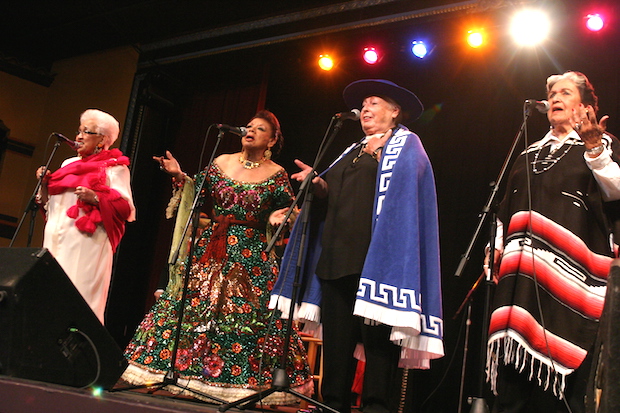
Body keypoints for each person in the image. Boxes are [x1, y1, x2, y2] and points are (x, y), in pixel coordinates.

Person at [272, 79, 444, 413]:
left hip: (377, 266)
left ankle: (376, 409)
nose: (365, 108)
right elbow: (330, 193)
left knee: (379, 350)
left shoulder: (407, 145)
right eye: (364, 104)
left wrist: (380, 160)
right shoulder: (350, 151)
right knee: (337, 347)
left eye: (374, 102)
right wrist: (317, 182)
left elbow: (408, 193)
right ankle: (333, 406)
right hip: (338, 262)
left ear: (394, 112)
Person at [121, 110, 313, 404]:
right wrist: (178, 175)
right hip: (211, 249)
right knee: (192, 307)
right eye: (248, 126)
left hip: (251, 255)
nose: (250, 131)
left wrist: (279, 216)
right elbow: (195, 193)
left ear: (272, 140)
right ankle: (179, 374)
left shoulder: (277, 174)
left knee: (246, 318)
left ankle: (237, 385)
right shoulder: (221, 161)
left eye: (259, 129)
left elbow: (291, 211)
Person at [485, 71, 620, 413]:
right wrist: (496, 244)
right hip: (519, 282)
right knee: (513, 388)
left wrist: (595, 149)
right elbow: (505, 210)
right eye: (552, 93)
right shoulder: (527, 154)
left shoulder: (601, 146)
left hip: (572, 282)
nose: (556, 98)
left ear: (585, 106)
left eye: (565, 92)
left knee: (560, 398)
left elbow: (616, 192)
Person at [36, 108, 135, 325]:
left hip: (87, 245)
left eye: (86, 132)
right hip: (55, 240)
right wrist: (44, 186)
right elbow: (51, 206)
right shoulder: (67, 165)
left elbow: (126, 209)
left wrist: (96, 198)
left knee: (77, 303)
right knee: (49, 302)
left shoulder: (115, 169)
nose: (78, 137)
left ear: (102, 140)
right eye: (79, 131)